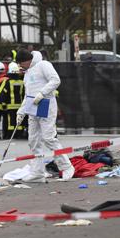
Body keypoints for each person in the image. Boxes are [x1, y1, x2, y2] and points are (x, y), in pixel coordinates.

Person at [16, 49, 75, 182]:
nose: (20, 66)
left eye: (20, 63)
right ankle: (37, 172)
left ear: (26, 60)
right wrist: (21, 111)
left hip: (46, 104)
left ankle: (67, 167)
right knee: (33, 140)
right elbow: (28, 94)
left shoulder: (43, 65)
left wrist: (42, 93)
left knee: (48, 137)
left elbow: (55, 80)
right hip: (33, 106)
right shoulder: (27, 73)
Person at [0, 62, 25, 139]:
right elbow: (23, 94)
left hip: (10, 106)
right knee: (18, 121)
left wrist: (3, 104)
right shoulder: (22, 82)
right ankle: (19, 134)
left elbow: (4, 93)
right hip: (19, 106)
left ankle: (10, 135)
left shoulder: (8, 82)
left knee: (11, 122)